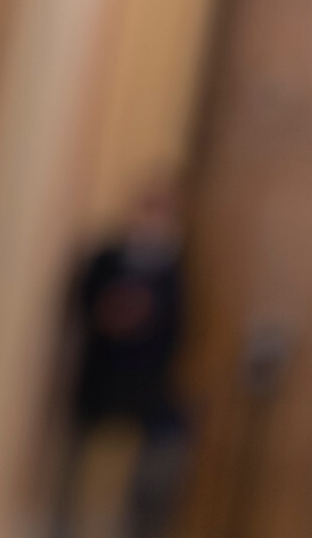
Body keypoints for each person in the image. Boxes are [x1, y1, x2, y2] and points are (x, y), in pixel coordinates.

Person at [55, 183, 190, 538]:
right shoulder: (107, 258)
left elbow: (173, 331)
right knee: (81, 475)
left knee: (126, 478)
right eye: (148, 211)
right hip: (99, 382)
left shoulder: (172, 273)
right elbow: (86, 302)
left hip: (140, 392)